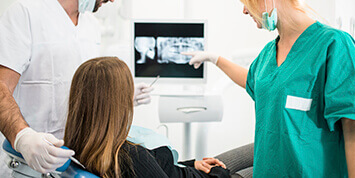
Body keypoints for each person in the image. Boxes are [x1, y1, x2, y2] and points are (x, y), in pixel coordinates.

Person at [183, 0, 355, 177]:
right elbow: (256, 82)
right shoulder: (267, 55)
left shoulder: (334, 46)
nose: (244, 10)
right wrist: (216, 58)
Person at [0, 0, 152, 175]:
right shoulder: (26, 13)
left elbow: (86, 92)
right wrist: (23, 137)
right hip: (28, 165)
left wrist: (122, 95)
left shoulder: (91, 26)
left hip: (76, 163)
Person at [64, 56, 233, 177]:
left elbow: (157, 167)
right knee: (254, 156)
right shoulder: (132, 156)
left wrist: (190, 164)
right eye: (127, 90)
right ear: (118, 102)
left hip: (186, 169)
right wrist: (221, 173)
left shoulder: (83, 145)